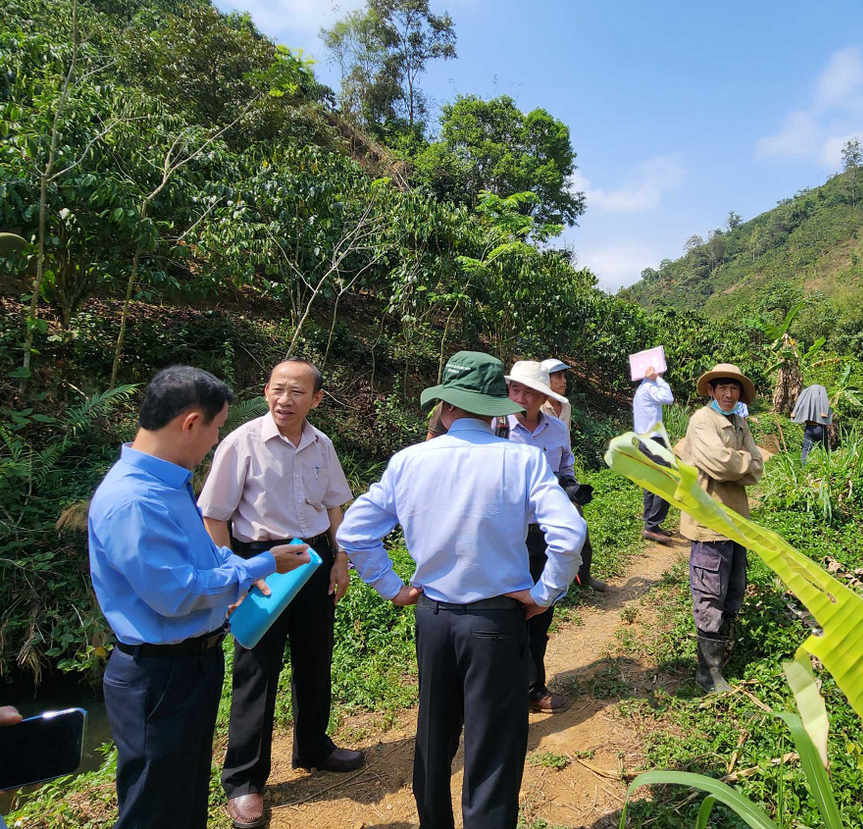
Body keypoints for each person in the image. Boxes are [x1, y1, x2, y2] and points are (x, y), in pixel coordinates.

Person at [336, 352, 584, 829]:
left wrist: (392, 587)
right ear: (496, 409)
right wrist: (543, 592)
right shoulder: (523, 459)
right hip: (495, 621)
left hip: (432, 616)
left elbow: (354, 532)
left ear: (444, 407)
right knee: (493, 746)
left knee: (433, 734)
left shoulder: (409, 461)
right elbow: (569, 534)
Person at [88, 366, 310, 829]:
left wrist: (242, 572)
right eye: (216, 427)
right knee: (154, 806)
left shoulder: (170, 486)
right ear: (191, 422)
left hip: (191, 665)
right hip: (159, 675)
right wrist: (261, 565)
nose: (216, 439)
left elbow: (210, 560)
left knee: (184, 794)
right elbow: (176, 593)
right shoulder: (135, 501)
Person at [198, 359, 361, 829]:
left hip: (311, 561)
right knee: (256, 671)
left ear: (316, 399)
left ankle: (313, 745)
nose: (285, 400)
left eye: (296, 392)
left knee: (316, 658)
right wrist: (237, 574)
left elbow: (335, 504)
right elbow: (214, 515)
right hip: (261, 562)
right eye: (278, 390)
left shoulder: (320, 444)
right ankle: (245, 781)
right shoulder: (242, 441)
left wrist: (340, 559)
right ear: (266, 390)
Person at [502, 360, 586, 711]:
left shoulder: (557, 430)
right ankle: (501, 690)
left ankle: (534, 687)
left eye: (530, 392)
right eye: (515, 390)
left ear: (543, 397)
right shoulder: (494, 428)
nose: (521, 398)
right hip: (504, 534)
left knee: (539, 609)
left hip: (542, 533)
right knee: (502, 613)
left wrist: (571, 491)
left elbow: (566, 469)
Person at [676, 364, 764, 693]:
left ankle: (722, 656)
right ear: (711, 391)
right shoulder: (702, 421)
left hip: (736, 519)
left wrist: (738, 463)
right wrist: (741, 462)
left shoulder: (739, 422)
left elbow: (756, 467)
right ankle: (706, 672)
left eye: (734, 389)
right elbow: (720, 463)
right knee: (710, 591)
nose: (729, 394)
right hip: (710, 520)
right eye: (722, 388)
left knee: (734, 588)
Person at [539, 358, 605, 592]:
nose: (563, 381)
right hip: (538, 481)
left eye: (563, 376)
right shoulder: (536, 409)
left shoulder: (564, 406)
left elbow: (565, 446)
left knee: (579, 527)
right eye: (558, 377)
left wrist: (572, 480)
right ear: (544, 380)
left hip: (562, 479)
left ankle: (583, 578)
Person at [633, 365, 676, 544]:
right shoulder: (650, 387)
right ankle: (652, 525)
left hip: (645, 439)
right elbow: (668, 398)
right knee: (667, 479)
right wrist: (657, 378)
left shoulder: (642, 388)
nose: (663, 372)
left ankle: (651, 525)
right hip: (652, 440)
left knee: (651, 481)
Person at [791, 384, 832, 463]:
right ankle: (827, 466)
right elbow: (824, 402)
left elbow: (799, 404)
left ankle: (803, 468)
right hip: (820, 428)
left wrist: (794, 413)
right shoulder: (821, 392)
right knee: (825, 450)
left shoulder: (806, 396)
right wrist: (824, 412)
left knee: (806, 450)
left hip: (808, 428)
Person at [539, 358, 572, 427]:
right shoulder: (537, 408)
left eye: (564, 376)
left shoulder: (566, 406)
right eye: (559, 376)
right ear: (545, 379)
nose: (564, 381)